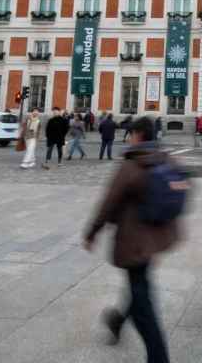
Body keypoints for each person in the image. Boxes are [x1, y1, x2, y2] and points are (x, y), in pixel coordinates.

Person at [83, 117, 180, 363]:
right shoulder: (165, 157)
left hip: (134, 241)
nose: (129, 137)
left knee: (143, 306)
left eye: (130, 133)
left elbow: (109, 202)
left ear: (137, 135)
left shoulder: (131, 164)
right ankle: (117, 320)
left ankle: (159, 358)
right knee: (139, 284)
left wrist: (92, 232)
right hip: (157, 236)